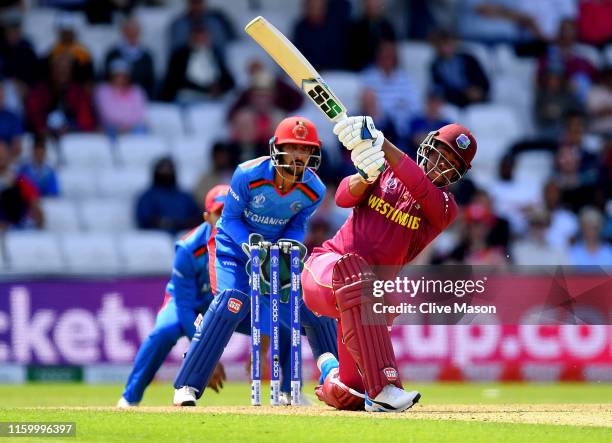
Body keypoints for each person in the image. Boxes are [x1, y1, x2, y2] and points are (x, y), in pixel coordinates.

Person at [301, 115, 477, 412]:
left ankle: (331, 370)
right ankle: (386, 387)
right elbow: (343, 198)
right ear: (428, 147)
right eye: (440, 153)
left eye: (451, 163)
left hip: (364, 299)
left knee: (352, 395)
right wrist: (363, 177)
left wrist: (382, 143)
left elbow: (419, 186)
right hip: (326, 269)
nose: (441, 164)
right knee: (358, 274)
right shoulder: (382, 172)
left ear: (458, 175)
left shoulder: (445, 207)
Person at [172, 116, 338, 406]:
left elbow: (297, 225)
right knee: (231, 302)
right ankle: (187, 385)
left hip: (275, 253)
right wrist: (251, 245)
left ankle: (333, 385)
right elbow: (230, 219)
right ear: (277, 148)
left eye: (306, 150)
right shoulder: (248, 174)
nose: (300, 156)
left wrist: (290, 246)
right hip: (234, 251)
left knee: (312, 307)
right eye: (293, 148)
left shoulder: (315, 189)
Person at [118, 185, 230, 407]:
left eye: (231, 211)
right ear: (207, 217)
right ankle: (129, 399)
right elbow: (186, 307)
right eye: (220, 213)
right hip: (189, 304)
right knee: (163, 332)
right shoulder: (188, 248)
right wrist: (206, 357)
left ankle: (286, 390)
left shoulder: (247, 243)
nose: (226, 219)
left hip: (223, 306)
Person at [135, 157, 201, 235]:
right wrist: (164, 223)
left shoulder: (185, 197)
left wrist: (181, 224)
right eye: (162, 169)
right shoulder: (147, 197)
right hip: (157, 239)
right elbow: (144, 219)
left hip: (185, 238)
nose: (166, 172)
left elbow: (197, 217)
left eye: (169, 169)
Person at [94, 59, 147, 137]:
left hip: (133, 128)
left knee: (141, 132)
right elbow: (107, 113)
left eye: (123, 76)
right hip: (110, 127)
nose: (120, 78)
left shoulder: (136, 91)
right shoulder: (102, 90)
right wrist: (122, 126)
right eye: (117, 75)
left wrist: (127, 126)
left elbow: (140, 114)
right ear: (111, 76)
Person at [104, 17, 155, 98]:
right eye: (129, 31)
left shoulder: (147, 56)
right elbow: (106, 78)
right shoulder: (113, 54)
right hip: (115, 98)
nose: (132, 34)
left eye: (135, 31)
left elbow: (150, 82)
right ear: (123, 32)